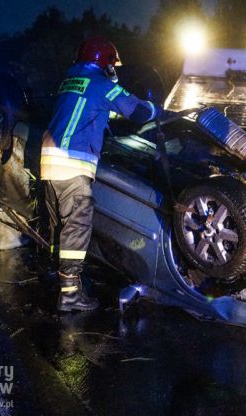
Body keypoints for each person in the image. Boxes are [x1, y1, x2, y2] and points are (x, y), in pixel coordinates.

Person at [41, 35, 162, 312]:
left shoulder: (70, 81)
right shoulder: (101, 84)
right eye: (112, 64)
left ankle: (62, 283)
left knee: (60, 226)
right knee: (76, 227)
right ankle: (70, 296)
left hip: (49, 162)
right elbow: (138, 112)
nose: (114, 70)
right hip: (73, 163)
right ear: (105, 62)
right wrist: (159, 110)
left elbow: (90, 112)